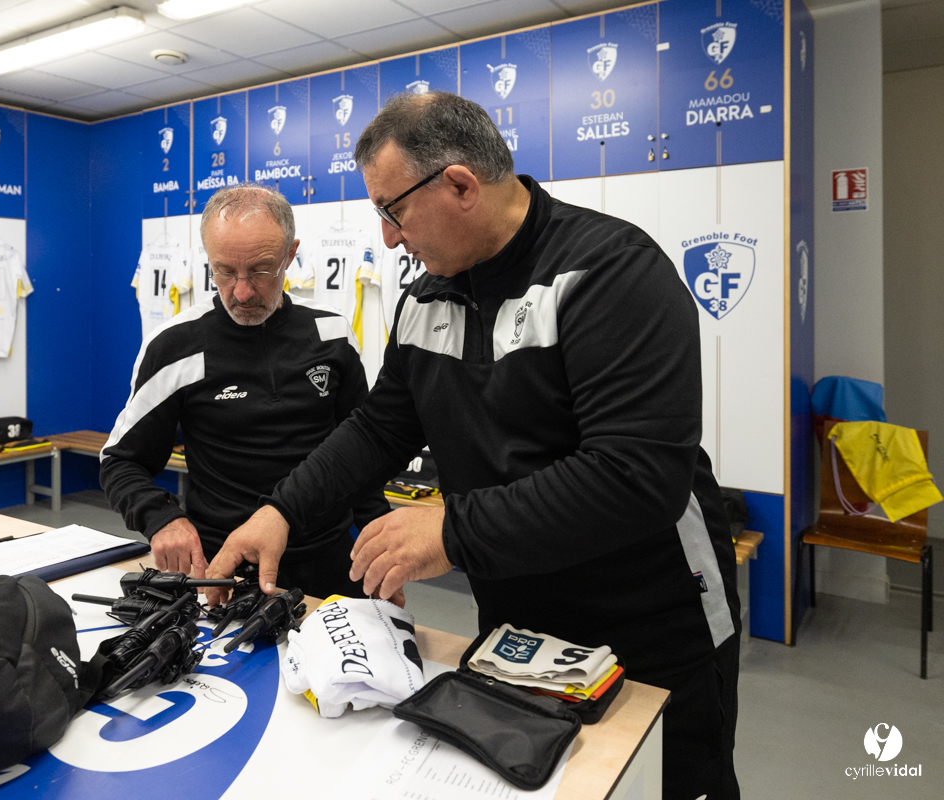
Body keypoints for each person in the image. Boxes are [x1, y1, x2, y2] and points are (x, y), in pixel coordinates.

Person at [207, 93, 741, 799]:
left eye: (392, 211)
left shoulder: (610, 273)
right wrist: (280, 512)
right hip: (514, 626)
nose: (390, 238)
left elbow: (635, 477)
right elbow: (378, 428)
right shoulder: (426, 299)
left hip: (651, 631)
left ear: (459, 184)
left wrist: (453, 528)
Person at [100, 183, 388, 599]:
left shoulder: (333, 334)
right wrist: (161, 518)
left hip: (331, 564)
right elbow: (120, 462)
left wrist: (379, 549)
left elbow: (361, 457)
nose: (242, 292)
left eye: (260, 270)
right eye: (224, 271)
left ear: (291, 255)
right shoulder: (174, 346)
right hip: (225, 570)